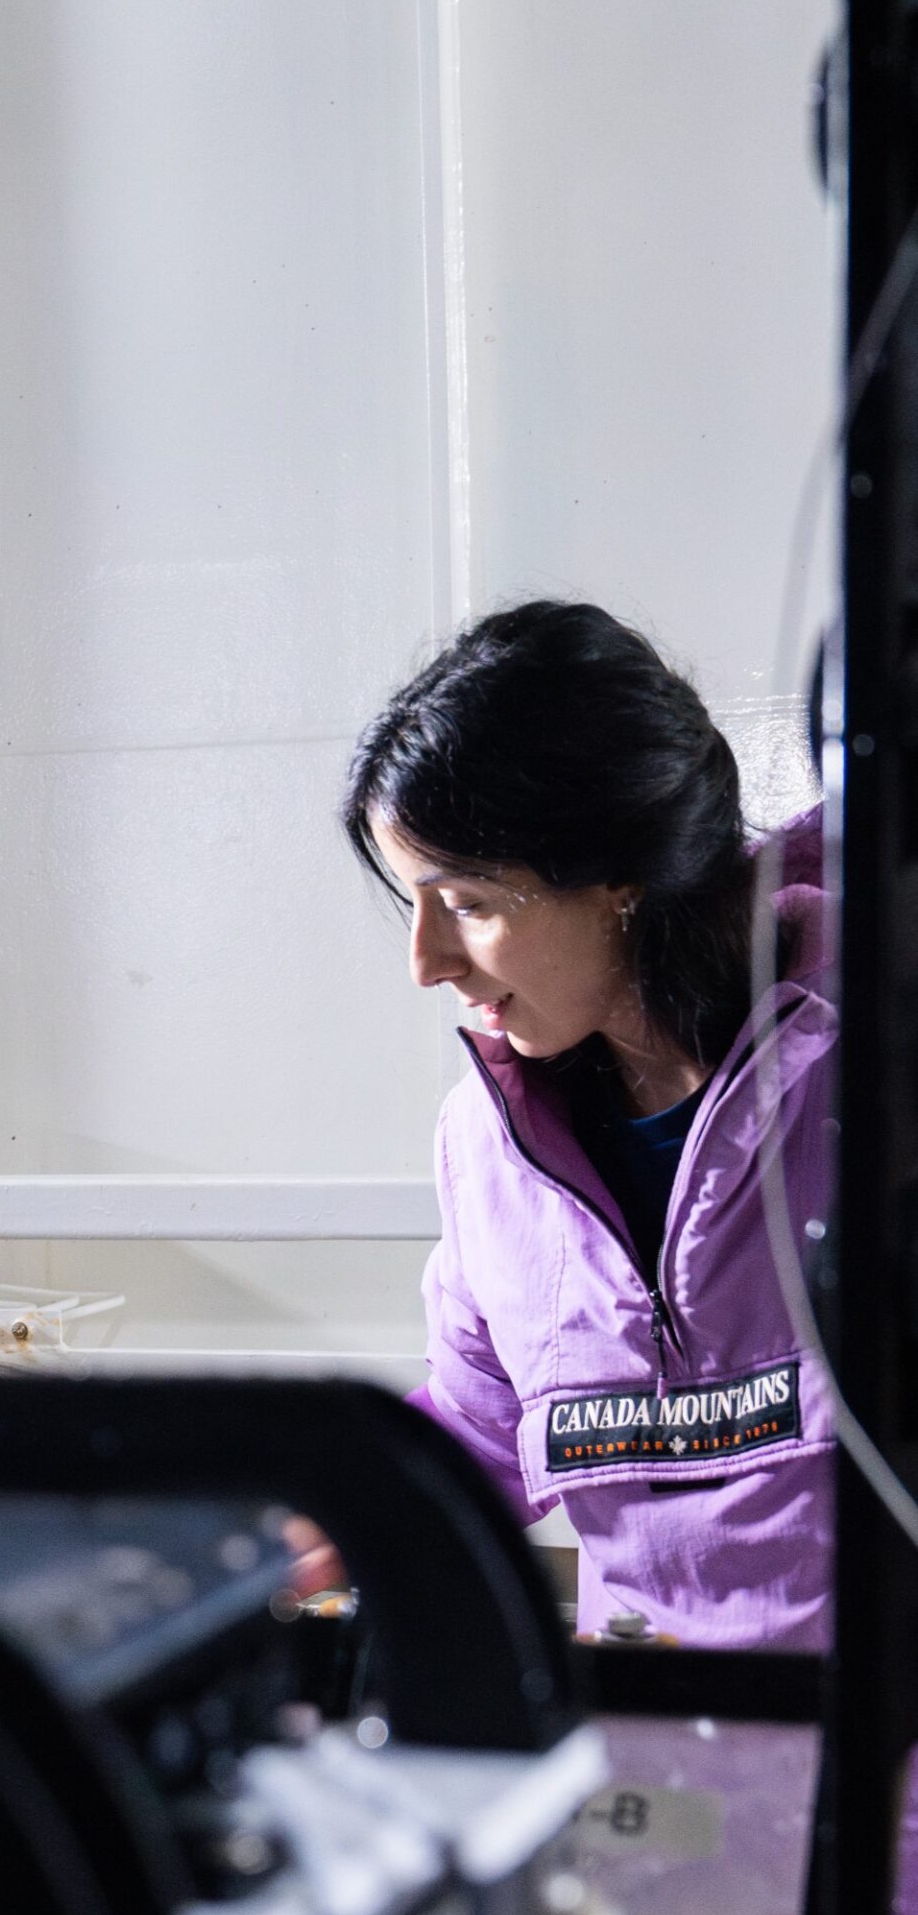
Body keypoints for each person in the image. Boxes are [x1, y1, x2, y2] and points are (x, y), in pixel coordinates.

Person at [339, 599, 833, 1651]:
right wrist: (319, 1504)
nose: (425, 961)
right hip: (665, 1782)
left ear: (619, 878)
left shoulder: (866, 1072)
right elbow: (484, 1426)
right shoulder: (490, 1146)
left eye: (466, 900)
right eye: (411, 903)